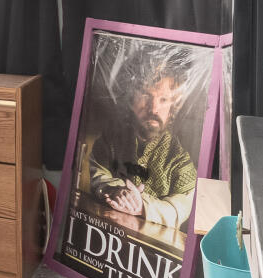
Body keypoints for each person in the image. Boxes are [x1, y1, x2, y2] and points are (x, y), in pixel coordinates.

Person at [84, 48, 200, 228]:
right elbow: (99, 172)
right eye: (146, 95)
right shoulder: (111, 138)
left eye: (163, 100)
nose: (153, 109)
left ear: (172, 107)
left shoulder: (178, 159)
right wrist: (116, 191)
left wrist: (141, 206)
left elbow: (182, 207)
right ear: (131, 98)